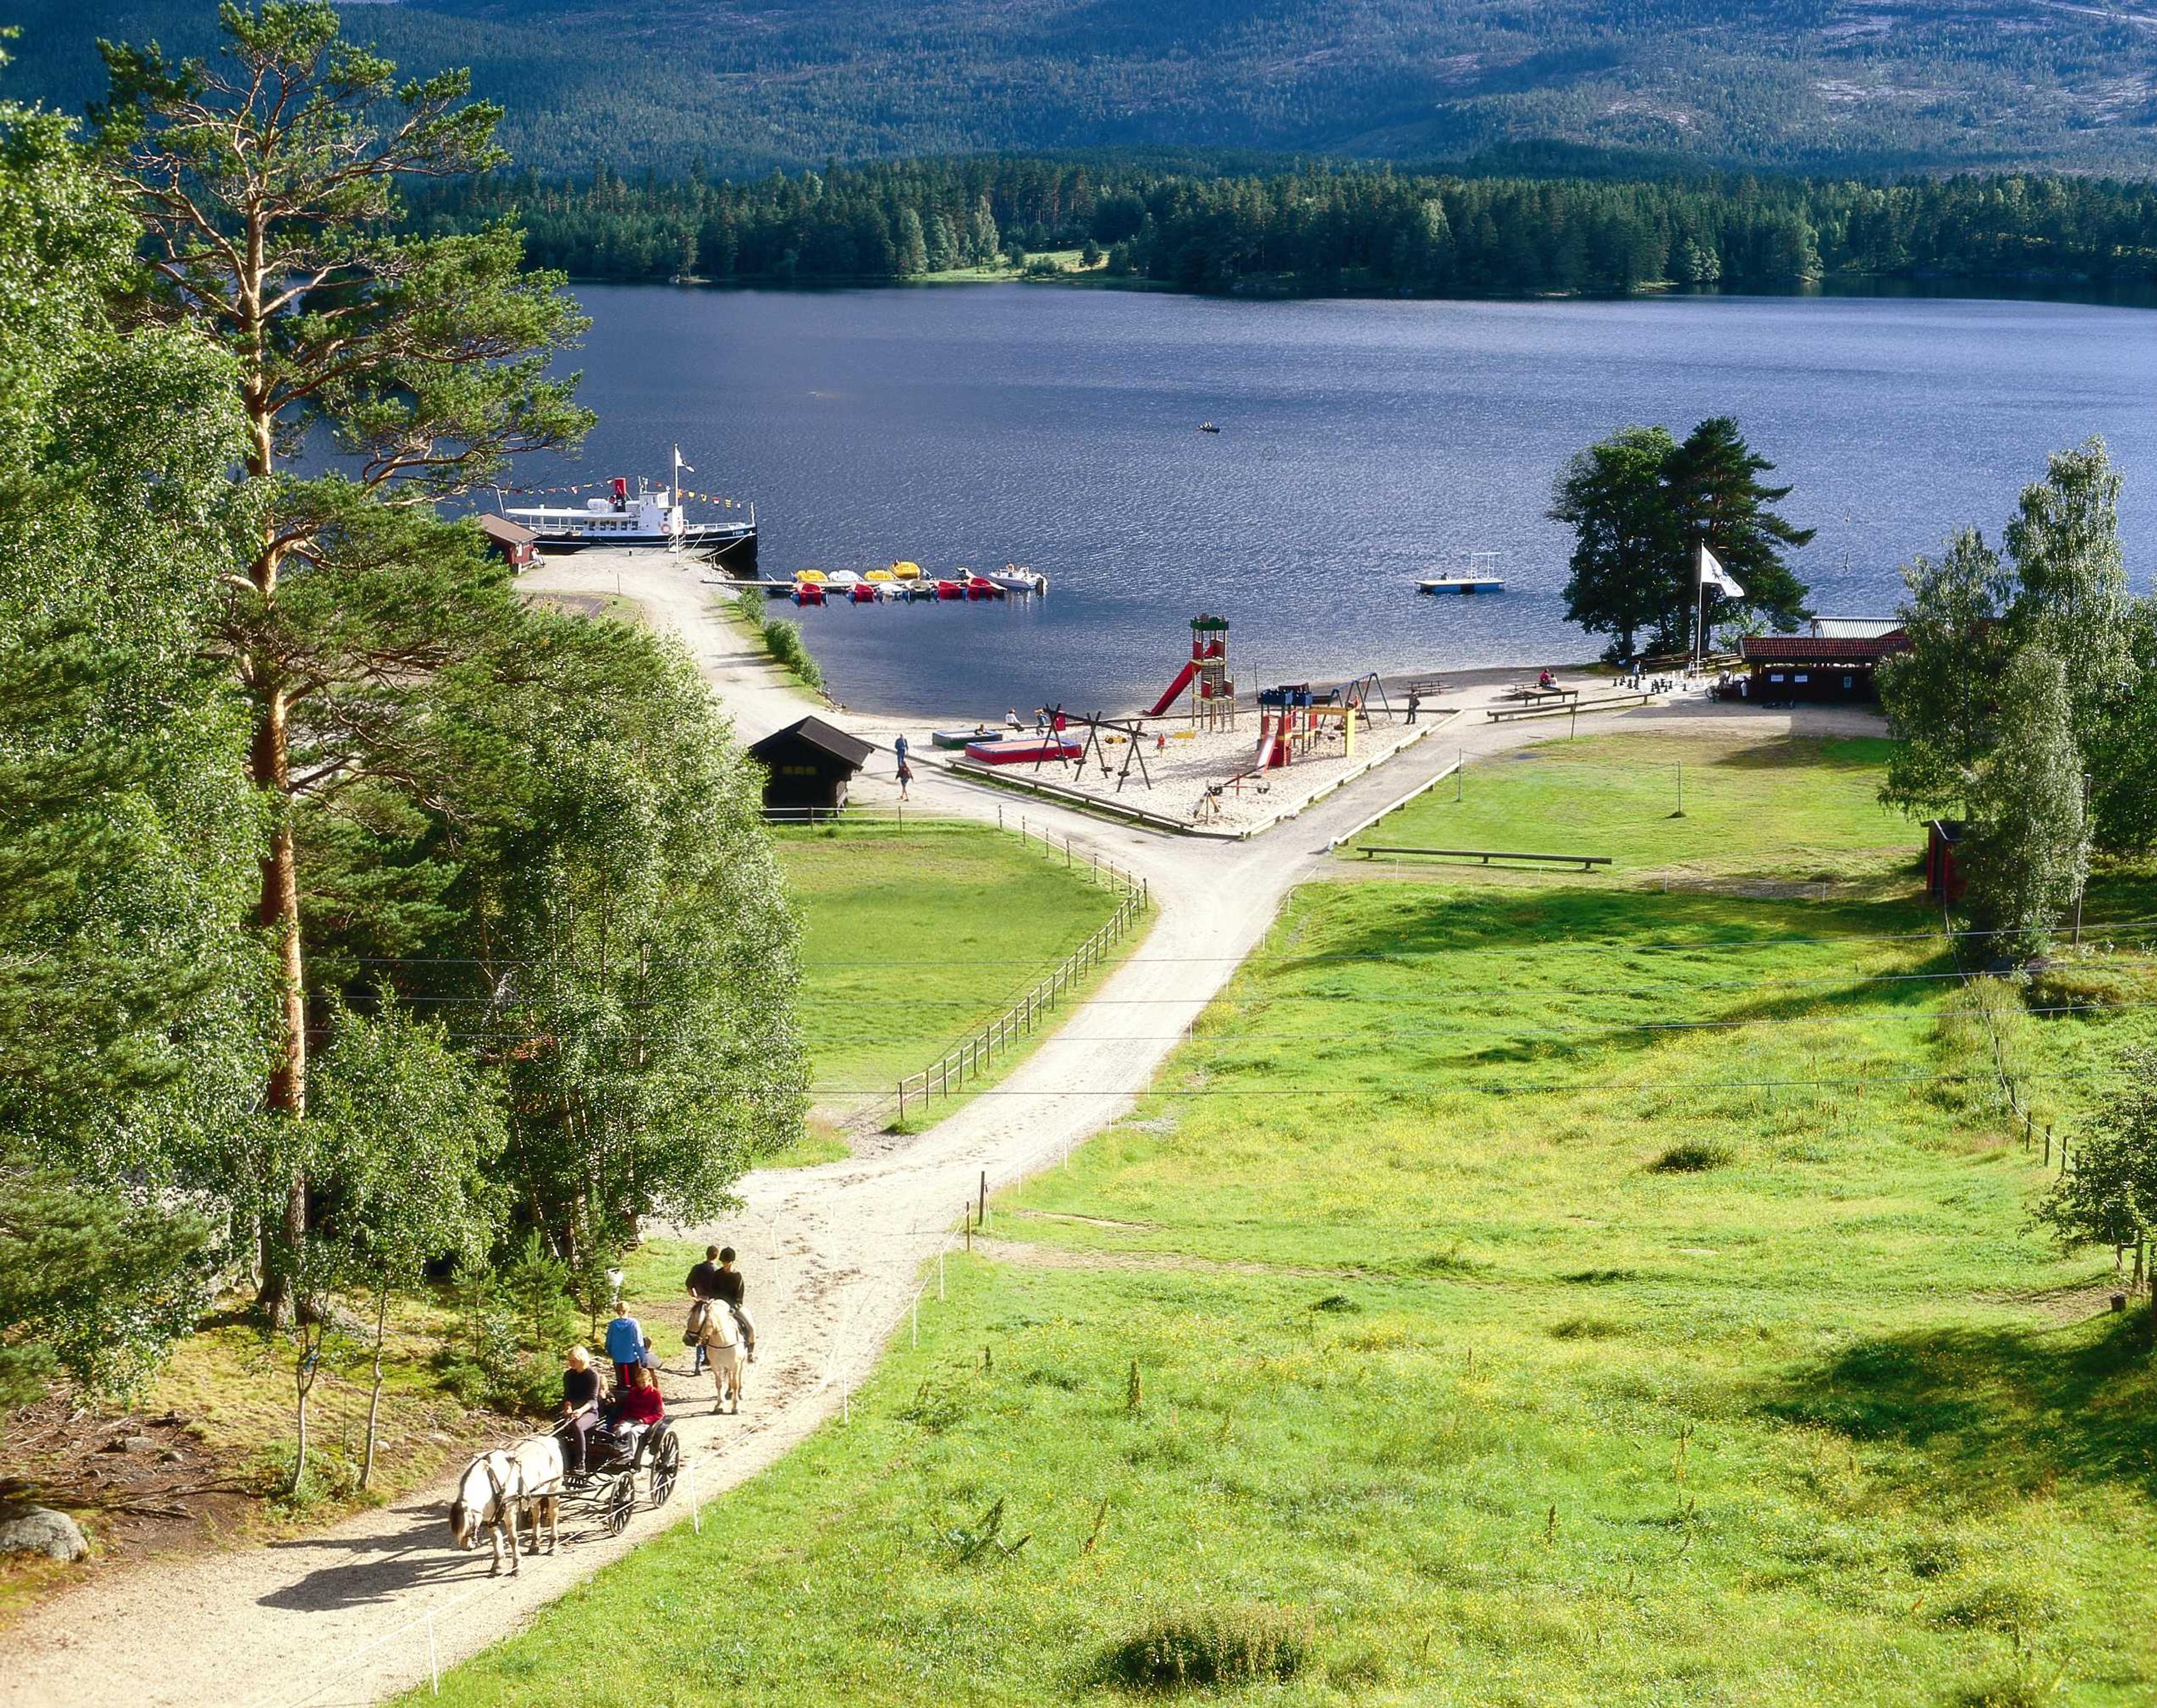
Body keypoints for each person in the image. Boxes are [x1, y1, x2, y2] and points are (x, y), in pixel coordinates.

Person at [607, 1361, 666, 1465]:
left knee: (634, 1432)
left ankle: (630, 1456)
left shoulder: (655, 1394)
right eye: (639, 1382)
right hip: (631, 1419)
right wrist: (621, 1421)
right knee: (620, 1430)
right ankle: (615, 1453)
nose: (641, 1385)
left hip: (645, 1423)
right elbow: (627, 1409)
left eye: (644, 1382)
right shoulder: (634, 1392)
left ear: (649, 1380)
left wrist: (645, 1420)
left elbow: (660, 1413)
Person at [558, 1346, 604, 1473]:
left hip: (589, 1412)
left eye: (574, 1361)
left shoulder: (593, 1375)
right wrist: (568, 1407)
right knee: (559, 1425)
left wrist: (580, 1411)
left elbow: (592, 1400)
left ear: (582, 1360)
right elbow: (568, 1395)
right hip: (573, 1409)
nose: (571, 1364)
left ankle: (581, 1464)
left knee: (577, 1426)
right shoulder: (568, 1375)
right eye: (570, 1361)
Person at [711, 1245, 757, 1363]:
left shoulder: (737, 1276)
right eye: (724, 1262)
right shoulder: (717, 1274)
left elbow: (739, 1297)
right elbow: (713, 1292)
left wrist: (734, 1308)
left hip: (734, 1306)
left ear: (732, 1262)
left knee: (751, 1327)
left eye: (728, 1263)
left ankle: (750, 1352)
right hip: (719, 1306)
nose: (725, 1265)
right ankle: (707, 1354)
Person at [685, 1244, 725, 1374]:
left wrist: (696, 1297)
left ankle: (698, 1364)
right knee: (713, 1331)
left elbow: (689, 1285)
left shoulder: (697, 1268)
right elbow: (720, 1292)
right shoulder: (717, 1271)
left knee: (697, 1331)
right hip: (711, 1303)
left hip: (700, 1301)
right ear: (717, 1256)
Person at [604, 1303, 644, 1387]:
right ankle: (634, 1398)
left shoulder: (613, 1324)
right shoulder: (634, 1323)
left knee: (621, 1381)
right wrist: (642, 1357)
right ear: (628, 1310)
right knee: (634, 1382)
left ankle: (621, 1397)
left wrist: (610, 1352)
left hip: (617, 1357)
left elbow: (609, 1341)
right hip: (631, 1357)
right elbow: (638, 1341)